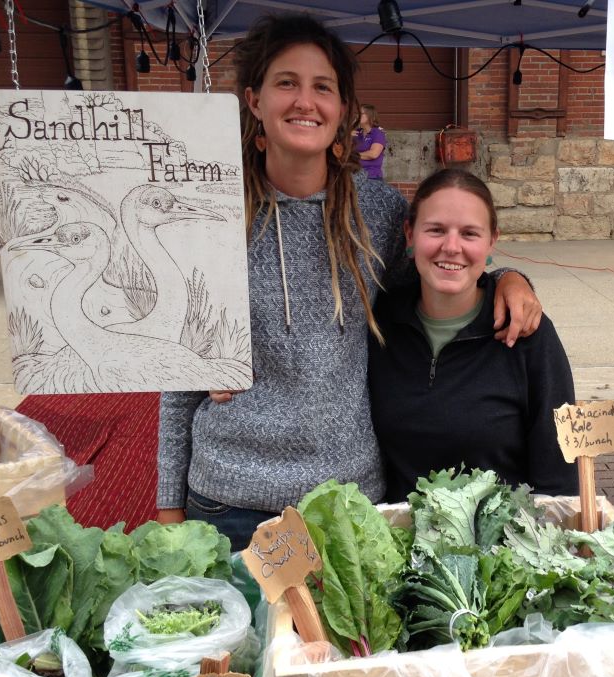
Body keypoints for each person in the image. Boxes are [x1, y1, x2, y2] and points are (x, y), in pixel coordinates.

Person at [156, 14, 543, 549]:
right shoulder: (210, 214)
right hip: (229, 501)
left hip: (348, 500)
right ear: (253, 100)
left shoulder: (379, 213)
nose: (304, 101)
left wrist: (506, 277)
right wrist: (169, 507)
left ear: (342, 109)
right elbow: (180, 379)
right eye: (286, 82)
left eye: (323, 87)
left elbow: (436, 283)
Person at [368, 169, 578, 502]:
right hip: (398, 543)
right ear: (410, 234)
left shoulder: (526, 333)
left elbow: (560, 479)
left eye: (469, 233)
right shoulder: (377, 324)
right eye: (436, 230)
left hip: (502, 546)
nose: (451, 247)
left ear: (492, 240)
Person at [353, 104, 387, 180]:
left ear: (369, 116)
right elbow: (341, 152)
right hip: (355, 175)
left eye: (361, 113)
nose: (357, 115)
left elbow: (373, 154)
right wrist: (346, 135)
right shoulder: (356, 133)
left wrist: (352, 156)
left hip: (371, 176)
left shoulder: (378, 133)